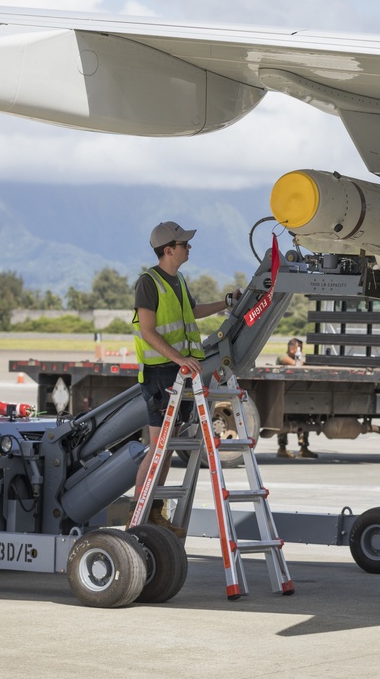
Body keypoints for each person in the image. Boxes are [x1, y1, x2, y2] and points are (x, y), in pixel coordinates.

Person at [132, 220, 240, 538]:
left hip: (177, 373)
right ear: (169, 250)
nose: (188, 248)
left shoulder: (177, 280)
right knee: (157, 448)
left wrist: (226, 304)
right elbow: (147, 331)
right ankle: (142, 512)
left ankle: (152, 512)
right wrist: (180, 359)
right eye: (184, 244)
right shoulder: (149, 282)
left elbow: (192, 311)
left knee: (164, 448)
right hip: (161, 373)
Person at [275, 338, 317, 458]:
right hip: (283, 395)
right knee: (283, 421)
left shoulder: (294, 357)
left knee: (303, 419)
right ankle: (282, 448)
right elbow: (294, 364)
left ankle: (304, 448)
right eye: (299, 349)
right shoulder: (282, 356)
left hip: (295, 395)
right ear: (292, 349)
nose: (301, 351)